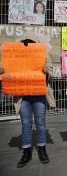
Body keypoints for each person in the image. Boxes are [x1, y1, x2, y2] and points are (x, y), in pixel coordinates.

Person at [0, 36, 56, 168]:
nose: (28, 46)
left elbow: (51, 72)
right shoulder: (14, 56)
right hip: (22, 96)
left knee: (40, 123)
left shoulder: (43, 54)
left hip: (39, 94)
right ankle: (26, 152)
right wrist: (3, 70)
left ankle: (42, 149)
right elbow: (4, 69)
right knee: (26, 123)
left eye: (30, 43)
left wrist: (46, 70)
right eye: (25, 43)